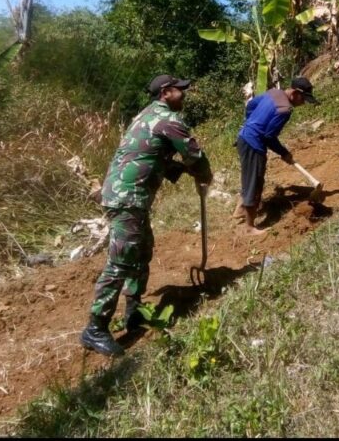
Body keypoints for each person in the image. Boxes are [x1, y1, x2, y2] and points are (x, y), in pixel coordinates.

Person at [80, 74, 213, 357]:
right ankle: (95, 328)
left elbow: (151, 155)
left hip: (126, 196)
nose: (184, 94)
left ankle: (134, 309)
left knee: (142, 251)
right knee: (120, 262)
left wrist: (183, 170)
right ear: (166, 92)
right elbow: (195, 155)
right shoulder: (168, 120)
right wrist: (203, 174)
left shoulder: (146, 116)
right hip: (127, 199)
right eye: (180, 90)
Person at [232, 77, 319, 235]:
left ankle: (240, 210)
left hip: (243, 138)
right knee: (255, 184)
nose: (303, 103)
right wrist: (283, 152)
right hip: (254, 144)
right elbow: (269, 137)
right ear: (295, 93)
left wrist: (251, 123)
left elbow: (250, 106)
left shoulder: (273, 92)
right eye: (303, 99)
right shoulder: (285, 110)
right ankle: (249, 227)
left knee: (250, 178)